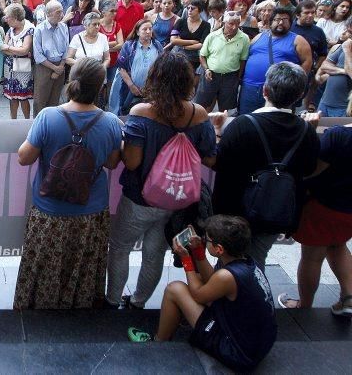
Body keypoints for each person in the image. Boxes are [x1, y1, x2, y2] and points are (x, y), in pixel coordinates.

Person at [106, 51, 216, 309]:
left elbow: (132, 162)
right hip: (178, 201)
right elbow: (210, 159)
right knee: (154, 253)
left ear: (155, 78)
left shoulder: (142, 112)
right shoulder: (199, 115)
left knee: (120, 247)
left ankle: (112, 301)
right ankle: (139, 302)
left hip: (140, 200)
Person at [14, 57, 123, 309]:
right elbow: (111, 163)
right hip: (91, 213)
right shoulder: (109, 122)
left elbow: (24, 157)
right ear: (100, 87)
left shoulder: (48, 116)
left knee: (44, 270)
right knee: (82, 270)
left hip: (50, 213)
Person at [128, 215, 277, 373]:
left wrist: (186, 259)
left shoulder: (226, 277)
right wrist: (198, 252)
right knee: (198, 278)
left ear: (219, 249)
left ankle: (158, 343)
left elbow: (198, 294)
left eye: (207, 240)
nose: (204, 241)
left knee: (175, 289)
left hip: (238, 352)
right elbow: (211, 280)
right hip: (258, 343)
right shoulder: (245, 262)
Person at [212, 62, 320, 268]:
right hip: (276, 211)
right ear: (298, 96)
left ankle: (249, 297)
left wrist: (218, 132)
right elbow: (309, 169)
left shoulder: (241, 125)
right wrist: (310, 130)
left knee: (238, 263)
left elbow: (220, 164)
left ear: (265, 90)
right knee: (256, 257)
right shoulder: (306, 130)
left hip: (236, 212)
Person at [278, 114, 352, 316]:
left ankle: (305, 305)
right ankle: (348, 297)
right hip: (349, 211)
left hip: (323, 206)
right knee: (338, 244)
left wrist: (309, 131)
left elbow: (311, 170)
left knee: (312, 257)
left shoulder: (339, 136)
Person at [238, 8, 312, 115]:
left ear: (290, 23)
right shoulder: (259, 37)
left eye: (285, 20)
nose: (281, 22)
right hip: (250, 88)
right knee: (247, 118)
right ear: (271, 22)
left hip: (279, 90)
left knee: (277, 121)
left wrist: (295, 83)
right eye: (277, 19)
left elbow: (307, 62)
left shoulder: (298, 40)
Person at [195, 11, 250, 112]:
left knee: (224, 107)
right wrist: (206, 69)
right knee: (203, 104)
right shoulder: (212, 36)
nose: (234, 27)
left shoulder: (244, 38)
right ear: (224, 23)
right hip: (211, 75)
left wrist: (237, 77)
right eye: (231, 24)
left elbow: (243, 60)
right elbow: (202, 55)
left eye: (237, 24)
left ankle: (220, 125)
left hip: (230, 76)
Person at [107, 19, 164, 116]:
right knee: (125, 111)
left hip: (151, 89)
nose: (148, 32)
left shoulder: (157, 46)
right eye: (144, 29)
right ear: (137, 32)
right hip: (129, 87)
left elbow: (162, 67)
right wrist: (131, 86)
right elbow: (121, 68)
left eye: (150, 29)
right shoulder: (129, 46)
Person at [32, 0, 69, 115]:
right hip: (44, 66)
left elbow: (66, 49)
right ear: (48, 14)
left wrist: (60, 67)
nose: (62, 15)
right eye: (58, 12)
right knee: (40, 100)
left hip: (60, 65)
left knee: (55, 100)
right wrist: (54, 68)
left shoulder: (63, 27)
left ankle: (51, 124)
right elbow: (38, 55)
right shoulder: (39, 29)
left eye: (62, 12)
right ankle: (38, 125)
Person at [1, 3, 35, 119]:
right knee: (12, 97)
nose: (5, 19)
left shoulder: (29, 29)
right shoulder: (11, 29)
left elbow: (24, 50)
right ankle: (13, 121)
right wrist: (16, 50)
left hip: (23, 68)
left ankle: (26, 121)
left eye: (7, 17)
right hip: (10, 67)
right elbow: (3, 48)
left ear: (15, 18)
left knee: (23, 97)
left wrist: (9, 48)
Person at [316, 20, 352, 116]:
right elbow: (325, 65)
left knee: (339, 131)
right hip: (324, 103)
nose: (346, 34)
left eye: (350, 32)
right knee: (318, 130)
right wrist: (343, 71)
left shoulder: (346, 47)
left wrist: (347, 51)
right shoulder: (343, 46)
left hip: (344, 107)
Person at [170, 0, 210, 74]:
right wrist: (192, 41)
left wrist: (185, 46)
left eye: (193, 8)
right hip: (177, 54)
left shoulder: (206, 25)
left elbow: (202, 44)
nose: (189, 10)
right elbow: (173, 40)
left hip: (194, 57)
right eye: (188, 8)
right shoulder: (180, 21)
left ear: (200, 10)